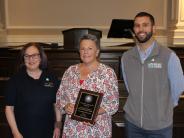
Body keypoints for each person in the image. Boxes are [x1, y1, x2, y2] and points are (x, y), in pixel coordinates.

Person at [121, 11, 184, 138]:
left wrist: (162, 111)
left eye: (145, 25)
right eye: (137, 26)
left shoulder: (169, 56)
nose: (141, 29)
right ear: (134, 29)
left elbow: (178, 88)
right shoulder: (126, 57)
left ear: (153, 29)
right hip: (132, 124)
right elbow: (129, 87)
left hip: (160, 127)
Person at [56, 34, 119, 137]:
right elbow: (60, 97)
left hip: (97, 129)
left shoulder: (108, 73)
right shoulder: (70, 71)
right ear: (79, 52)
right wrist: (66, 106)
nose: (85, 52)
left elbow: (113, 104)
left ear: (97, 52)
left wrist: (93, 114)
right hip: (72, 130)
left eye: (90, 48)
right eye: (82, 49)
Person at [5, 42, 61, 138]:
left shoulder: (52, 78)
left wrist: (58, 126)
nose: (31, 59)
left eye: (34, 55)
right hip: (22, 133)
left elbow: (57, 105)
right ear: (23, 59)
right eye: (27, 56)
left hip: (48, 133)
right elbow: (9, 109)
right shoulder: (15, 80)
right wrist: (15, 132)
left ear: (41, 57)